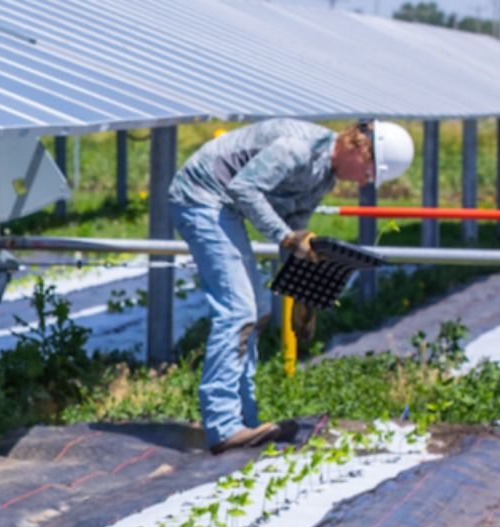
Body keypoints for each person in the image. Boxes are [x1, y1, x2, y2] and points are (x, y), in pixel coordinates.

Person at [169, 118, 415, 451]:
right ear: (361, 148)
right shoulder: (298, 149)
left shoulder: (324, 176)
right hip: (201, 197)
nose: (364, 183)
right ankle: (224, 425)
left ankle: (245, 419)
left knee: (256, 312)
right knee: (237, 311)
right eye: (369, 173)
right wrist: (285, 237)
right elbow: (245, 189)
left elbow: (296, 226)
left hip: (225, 205)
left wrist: (303, 297)